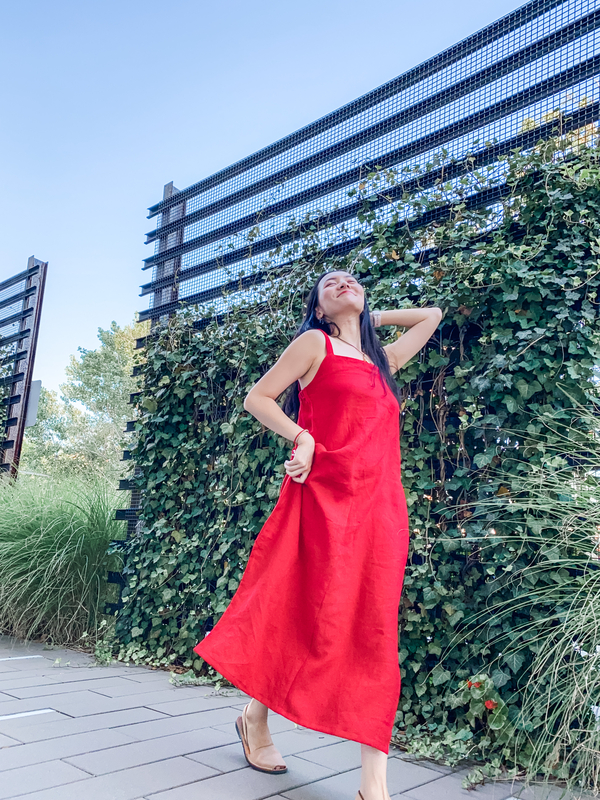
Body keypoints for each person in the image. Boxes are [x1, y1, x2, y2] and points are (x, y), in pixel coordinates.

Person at [193, 269, 442, 800]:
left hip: (379, 509)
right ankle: (255, 718)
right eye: (328, 284)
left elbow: (432, 316)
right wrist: (302, 435)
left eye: (351, 279)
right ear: (319, 308)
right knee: (300, 610)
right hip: (324, 494)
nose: (342, 282)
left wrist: (367, 320)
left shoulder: (385, 360)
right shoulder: (314, 344)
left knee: (372, 627)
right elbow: (257, 399)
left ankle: (372, 785)